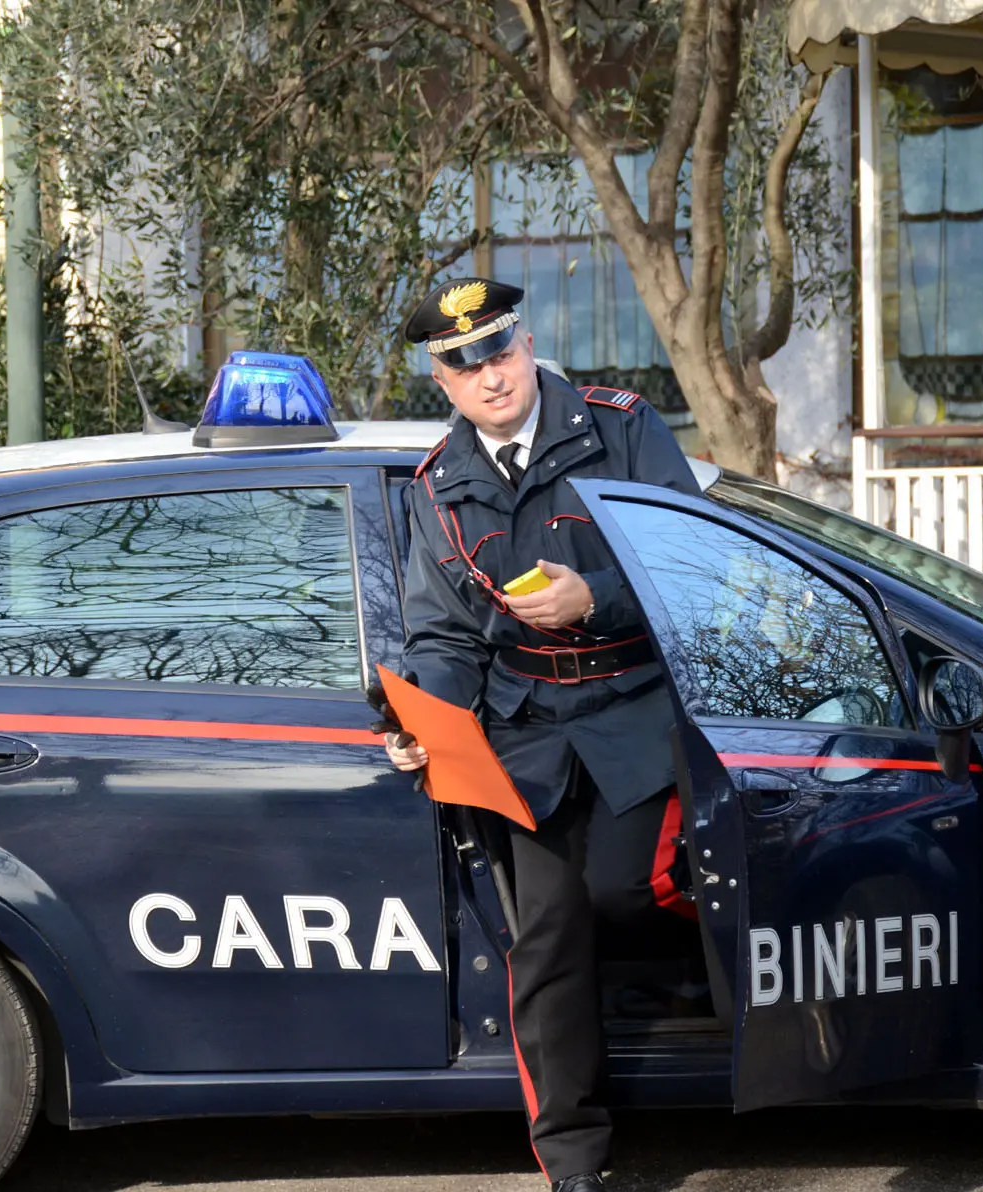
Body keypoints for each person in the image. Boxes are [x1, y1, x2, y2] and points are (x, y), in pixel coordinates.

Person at [382, 278, 700, 1192]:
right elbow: (440, 636)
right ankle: (575, 1163)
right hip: (529, 735)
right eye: (463, 362)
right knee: (550, 939)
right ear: (439, 379)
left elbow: (694, 564)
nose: (489, 374)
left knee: (625, 893)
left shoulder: (623, 426)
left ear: (527, 345)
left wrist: (593, 596)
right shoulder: (437, 487)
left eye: (500, 349)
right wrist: (422, 719)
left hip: (638, 714)